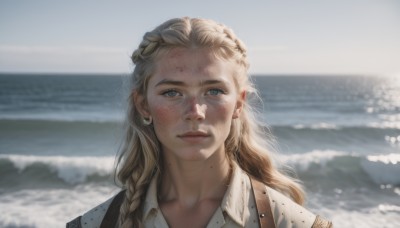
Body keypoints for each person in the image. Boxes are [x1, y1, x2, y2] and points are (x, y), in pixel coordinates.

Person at [67, 17, 332, 228]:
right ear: (143, 105)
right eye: (172, 92)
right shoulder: (95, 224)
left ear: (238, 104)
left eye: (214, 91)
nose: (195, 112)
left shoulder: (295, 224)